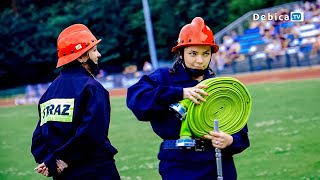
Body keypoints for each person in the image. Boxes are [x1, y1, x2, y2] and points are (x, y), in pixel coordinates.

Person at [126, 17, 250, 179]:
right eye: (193, 53)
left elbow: (241, 131)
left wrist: (230, 140)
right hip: (178, 166)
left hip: (219, 165)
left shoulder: (220, 87)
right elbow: (137, 101)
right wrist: (180, 93)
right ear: (180, 53)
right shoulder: (163, 78)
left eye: (206, 54)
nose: (199, 60)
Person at [31, 24, 120, 179]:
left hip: (62, 174)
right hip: (96, 170)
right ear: (80, 57)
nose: (98, 55)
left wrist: (51, 160)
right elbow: (92, 133)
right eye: (94, 50)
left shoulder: (48, 93)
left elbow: (38, 137)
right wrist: (64, 159)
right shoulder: (92, 87)